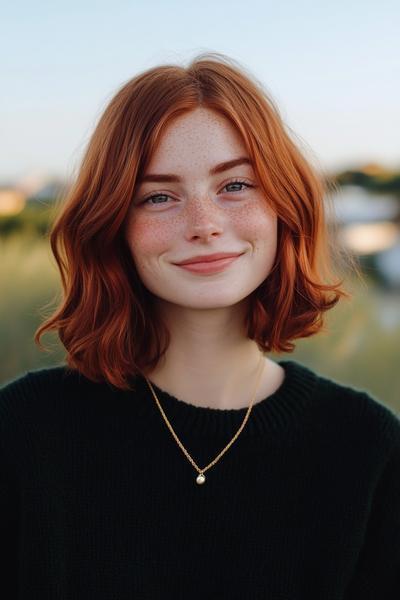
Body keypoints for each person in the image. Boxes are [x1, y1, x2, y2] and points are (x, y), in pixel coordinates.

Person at [1, 52, 399, 599]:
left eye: (235, 185)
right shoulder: (22, 432)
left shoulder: (368, 448)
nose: (204, 225)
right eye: (159, 196)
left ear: (284, 206)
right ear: (114, 224)